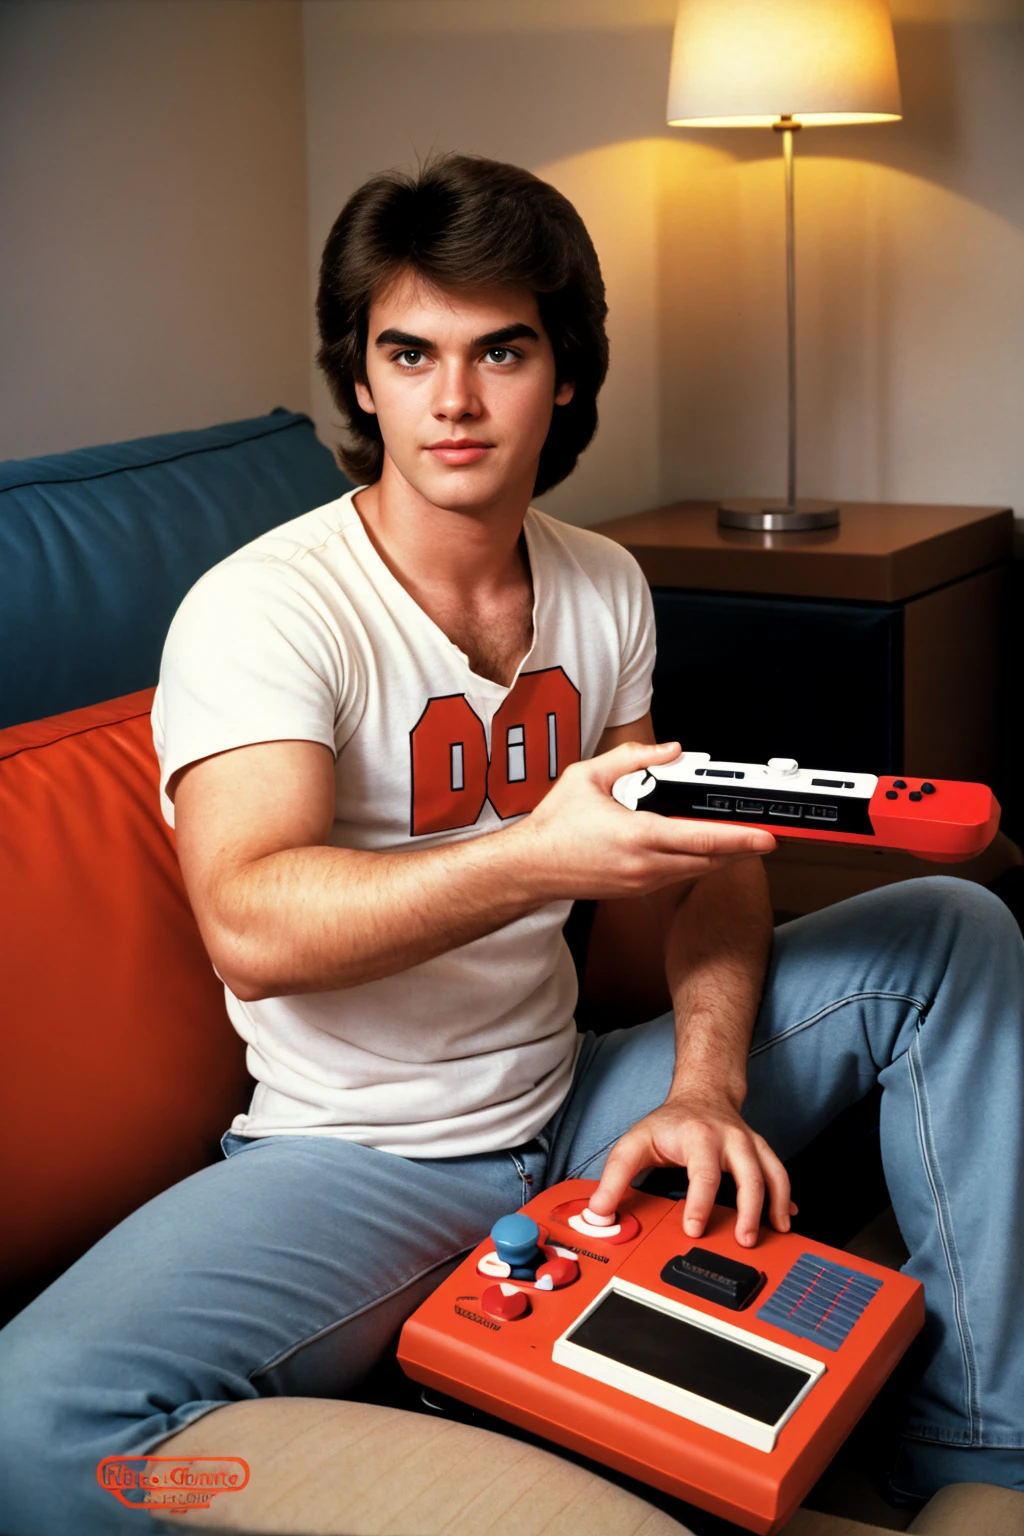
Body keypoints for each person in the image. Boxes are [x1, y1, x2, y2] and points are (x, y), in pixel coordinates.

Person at [0, 152, 1022, 1536]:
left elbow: (705, 849)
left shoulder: (602, 581)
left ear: (565, 377)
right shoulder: (266, 612)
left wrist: (708, 1087)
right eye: (409, 353)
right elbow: (253, 921)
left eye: (503, 352)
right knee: (33, 1427)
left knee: (952, 933)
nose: (456, 402)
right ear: (361, 381)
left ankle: (982, 1457)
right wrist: (541, 858)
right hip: (352, 1163)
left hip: (581, 1101)